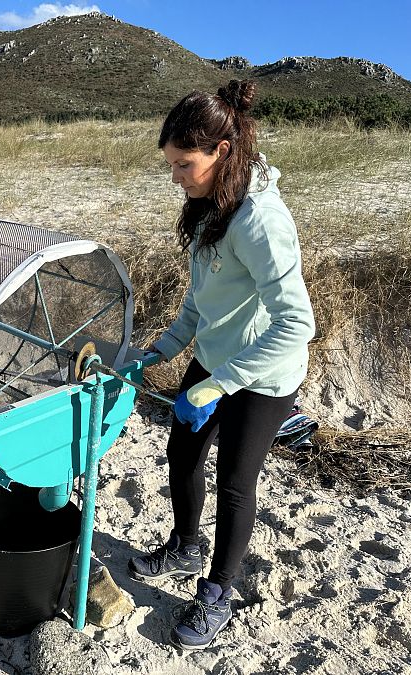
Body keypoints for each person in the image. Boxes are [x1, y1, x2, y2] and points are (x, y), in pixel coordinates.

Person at [127, 80, 315, 650]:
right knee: (181, 452)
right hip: (214, 359)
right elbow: (200, 300)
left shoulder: (261, 220)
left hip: (264, 375)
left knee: (236, 483)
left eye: (185, 164)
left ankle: (218, 593)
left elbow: (296, 324)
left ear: (223, 151)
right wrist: (162, 349)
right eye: (171, 166)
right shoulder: (210, 206)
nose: (177, 177)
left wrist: (221, 386)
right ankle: (186, 546)